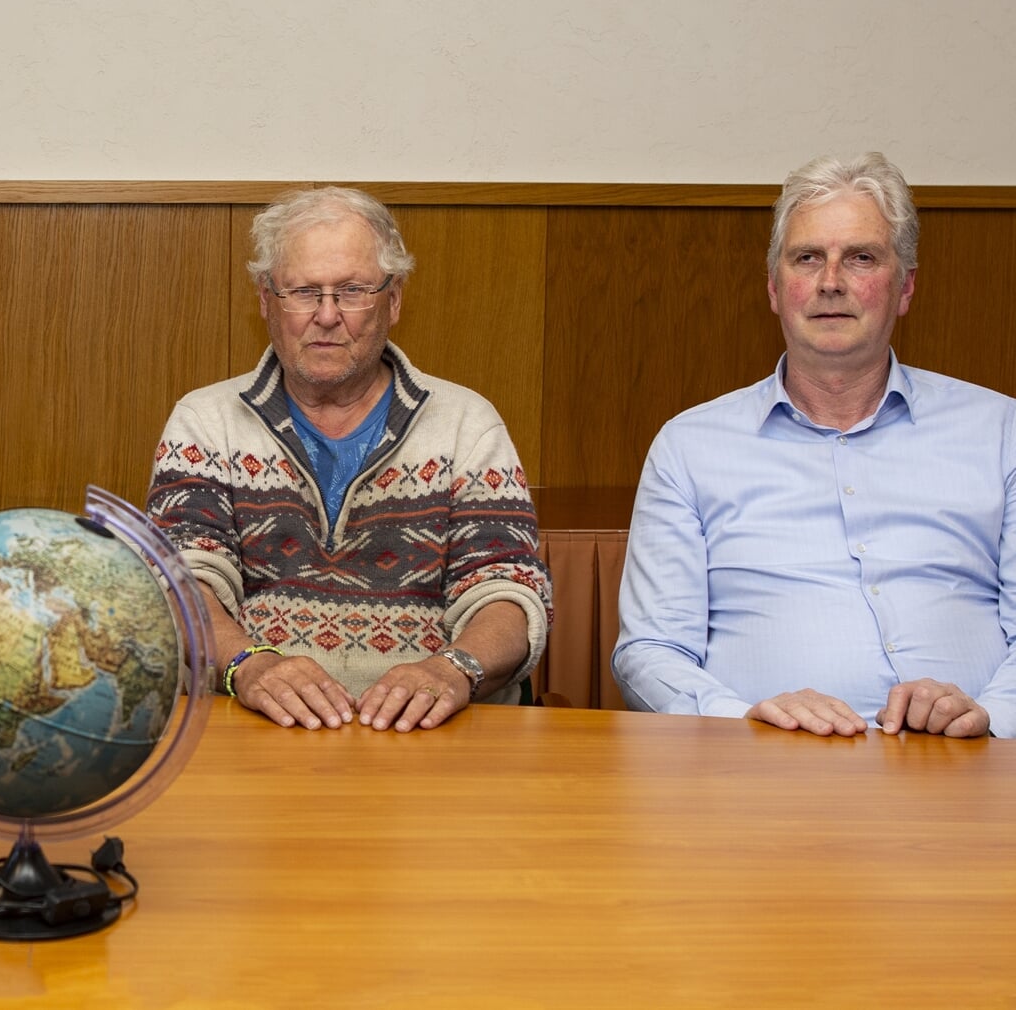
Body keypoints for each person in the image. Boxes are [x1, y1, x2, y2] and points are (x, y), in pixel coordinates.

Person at [614, 152, 1016, 739]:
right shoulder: (690, 448)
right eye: (808, 258)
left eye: (861, 258)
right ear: (776, 288)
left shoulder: (1002, 431)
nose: (831, 282)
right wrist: (743, 716)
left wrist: (989, 720)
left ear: (904, 287)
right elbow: (650, 651)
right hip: (764, 774)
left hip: (973, 770)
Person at [147, 186, 550, 732]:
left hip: (434, 736)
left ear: (394, 299)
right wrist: (249, 665)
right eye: (304, 291)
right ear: (267, 300)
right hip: (260, 730)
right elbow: (181, 585)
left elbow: (507, 592)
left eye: (353, 291)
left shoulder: (466, 424)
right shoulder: (205, 421)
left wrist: (453, 668)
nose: (328, 315)